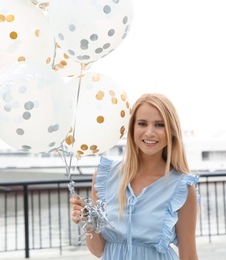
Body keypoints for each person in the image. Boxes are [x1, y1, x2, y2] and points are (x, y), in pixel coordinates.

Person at [70, 93, 199, 260]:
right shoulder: (104, 177)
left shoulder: (182, 187)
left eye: (159, 125)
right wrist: (86, 222)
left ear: (171, 131)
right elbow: (99, 251)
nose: (150, 132)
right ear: (132, 128)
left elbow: (188, 255)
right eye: (142, 124)